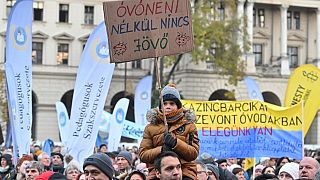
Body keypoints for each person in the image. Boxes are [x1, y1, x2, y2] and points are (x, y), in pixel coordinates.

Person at [139, 83, 199, 180]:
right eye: (165, 103)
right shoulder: (150, 127)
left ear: (178, 106)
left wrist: (176, 143)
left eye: (172, 103)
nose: (168, 106)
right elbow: (143, 155)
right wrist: (161, 150)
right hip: (157, 171)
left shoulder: (189, 125)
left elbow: (193, 153)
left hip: (184, 171)